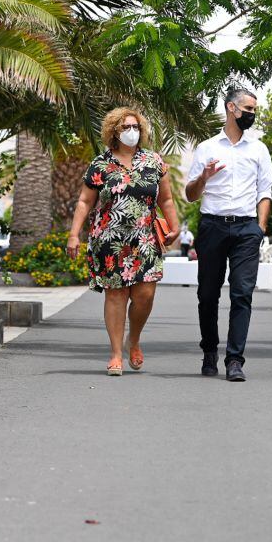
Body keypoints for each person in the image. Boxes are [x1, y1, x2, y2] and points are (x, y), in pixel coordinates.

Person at [67, 107, 180, 375]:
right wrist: (74, 234)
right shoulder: (100, 164)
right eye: (125, 127)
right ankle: (116, 353)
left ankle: (135, 339)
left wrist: (174, 226)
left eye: (135, 127)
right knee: (116, 295)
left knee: (145, 295)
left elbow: (166, 199)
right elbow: (85, 201)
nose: (132, 132)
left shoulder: (154, 161)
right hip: (110, 239)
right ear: (114, 132)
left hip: (145, 239)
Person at [186, 87, 272, 382]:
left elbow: (265, 191)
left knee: (242, 294)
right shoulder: (207, 148)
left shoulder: (259, 148)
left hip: (247, 228)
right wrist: (203, 177)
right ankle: (209, 351)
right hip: (212, 225)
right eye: (247, 108)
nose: (252, 114)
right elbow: (190, 195)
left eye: (254, 110)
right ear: (230, 108)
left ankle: (235, 360)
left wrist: (259, 227)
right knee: (207, 294)